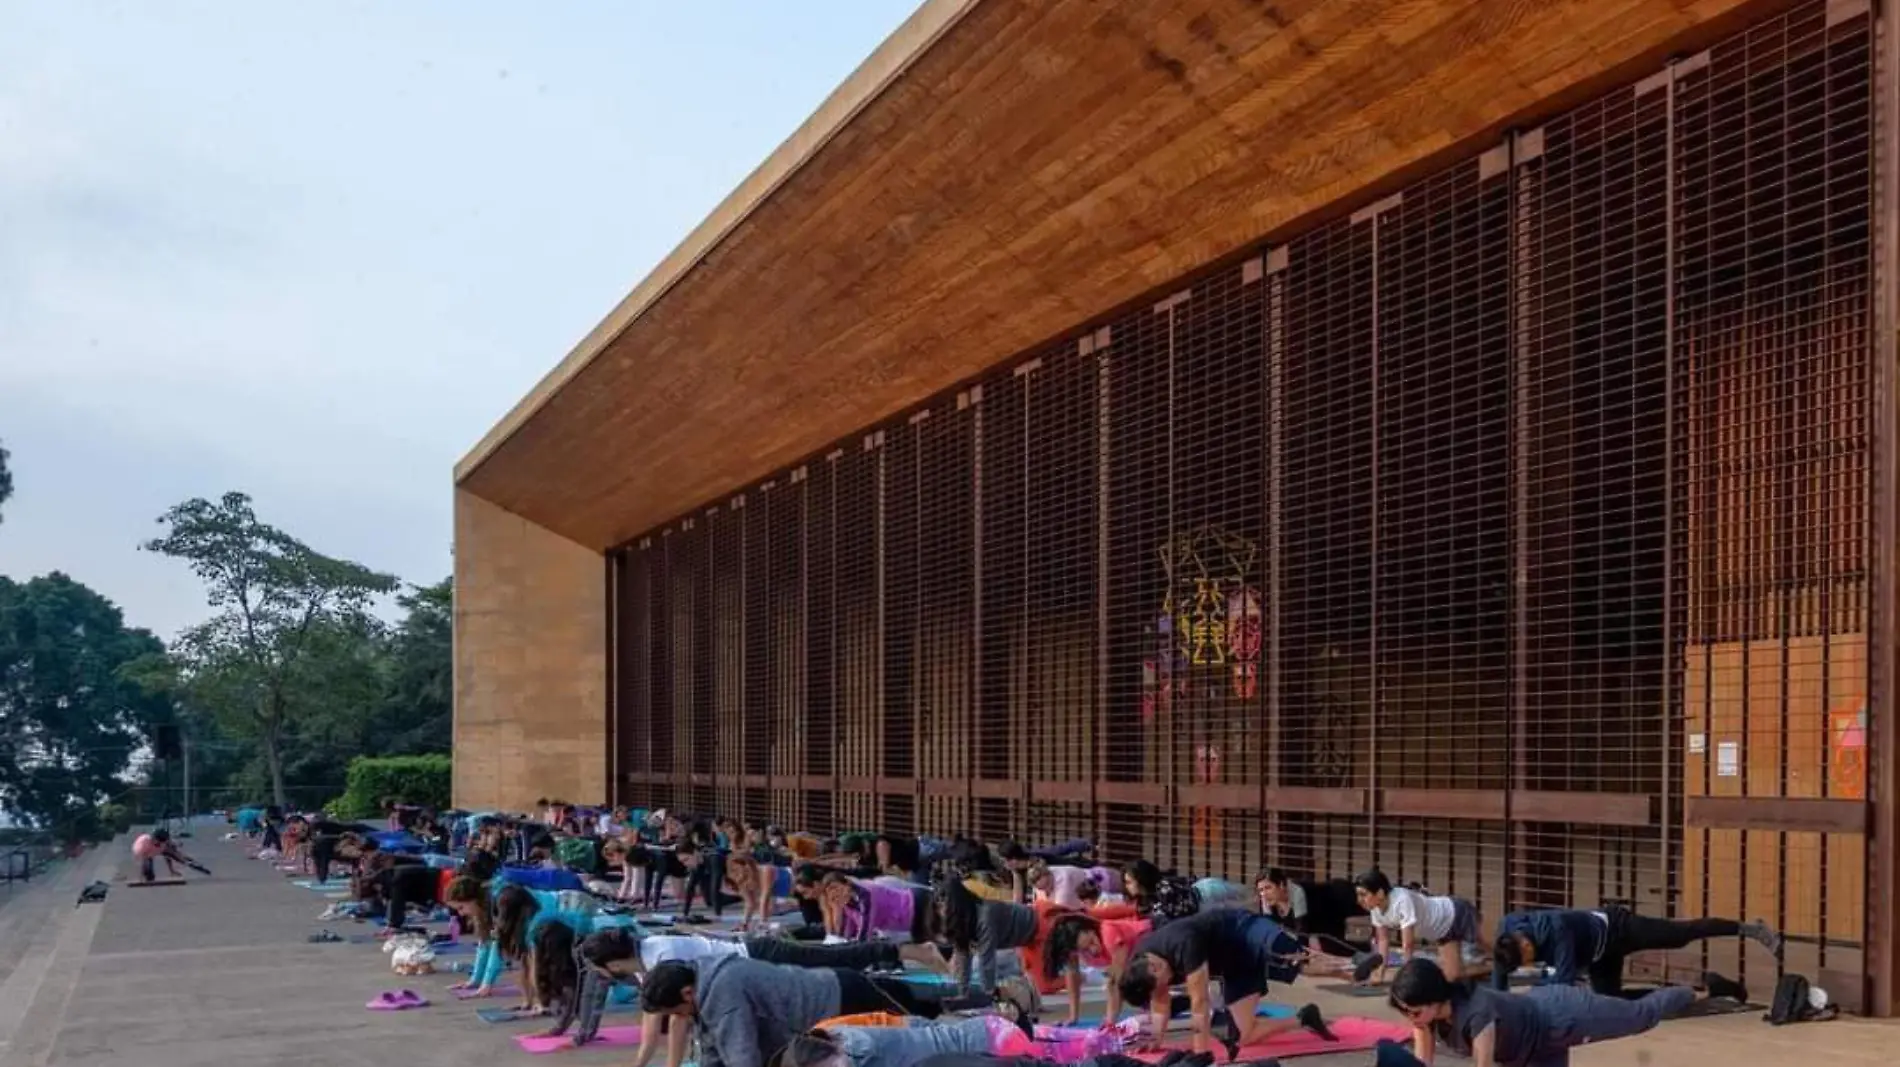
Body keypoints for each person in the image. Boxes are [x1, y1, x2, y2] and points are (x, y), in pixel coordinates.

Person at [1385, 957, 1747, 1067]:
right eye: (1406, 1012)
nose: (1410, 1019)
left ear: (1434, 1000)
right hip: (1532, 1051)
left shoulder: (1479, 1015)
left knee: (1641, 1015)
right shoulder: (1425, 1020)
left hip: (1561, 1016)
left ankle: (1702, 989)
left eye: (1413, 1011)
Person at [639, 956, 971, 1067]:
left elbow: (742, 1058)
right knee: (923, 1010)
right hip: (835, 996)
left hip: (844, 998)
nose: (679, 1019)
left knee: (925, 1034)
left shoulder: (723, 992)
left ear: (686, 993)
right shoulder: (706, 982)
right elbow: (714, 1051)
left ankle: (996, 1022)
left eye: (675, 1011)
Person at [1119, 908, 1334, 1059]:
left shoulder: (1184, 944)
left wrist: (1200, 1053)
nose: (1165, 989)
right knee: (1245, 1035)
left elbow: (1200, 1002)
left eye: (1162, 985)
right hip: (1232, 964)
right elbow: (1160, 1001)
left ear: (1155, 968)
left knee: (1300, 963)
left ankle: (1353, 970)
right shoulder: (1142, 962)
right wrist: (1155, 1039)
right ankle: (1304, 1019)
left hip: (1244, 934)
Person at [1492, 906, 1780, 996]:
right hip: (1597, 956)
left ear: (1526, 945)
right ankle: (1712, 986)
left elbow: (1563, 982)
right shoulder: (1508, 928)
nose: (1526, 965)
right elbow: (1500, 969)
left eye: (1525, 960)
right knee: (1614, 1002)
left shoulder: (1557, 930)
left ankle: (1751, 929)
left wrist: (1533, 989)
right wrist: (1497, 1004)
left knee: (1680, 935)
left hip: (1618, 929)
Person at [1353, 870, 1481, 983]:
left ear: (1380, 893)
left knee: (1492, 946)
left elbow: (1408, 944)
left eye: (1363, 894)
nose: (1359, 900)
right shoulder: (1375, 908)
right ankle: (1492, 969)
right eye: (1358, 895)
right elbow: (1383, 940)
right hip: (1443, 931)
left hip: (1456, 912)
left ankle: (1496, 967)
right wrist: (1379, 973)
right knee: (1453, 975)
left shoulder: (1402, 900)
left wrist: (1406, 977)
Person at [1254, 869, 1364, 946]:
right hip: (1324, 922)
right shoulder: (1266, 899)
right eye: (1260, 890)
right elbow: (1269, 929)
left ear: (1282, 885)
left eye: (1268, 888)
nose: (1263, 893)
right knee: (1335, 948)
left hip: (1339, 897)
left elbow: (1302, 932)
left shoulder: (1297, 892)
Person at [1123, 861, 1200, 926]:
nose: (1126, 886)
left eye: (1129, 882)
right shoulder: (1146, 897)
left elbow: (1181, 917)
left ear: (1140, 880)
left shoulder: (1164, 890)